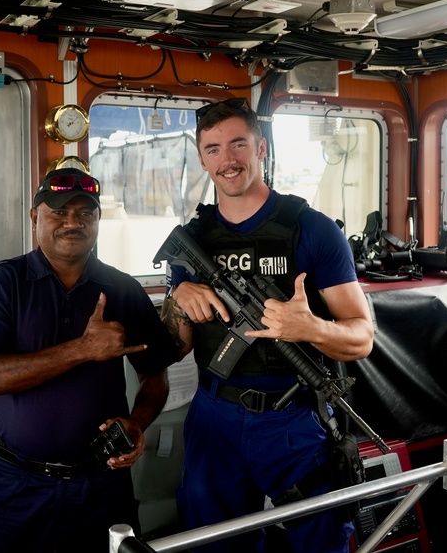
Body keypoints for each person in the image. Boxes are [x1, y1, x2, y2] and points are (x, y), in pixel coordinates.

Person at [160, 98, 376, 553]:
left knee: (321, 540)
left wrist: (310, 328)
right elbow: (173, 347)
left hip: (294, 417)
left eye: (239, 144)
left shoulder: (313, 230)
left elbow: (361, 337)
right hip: (214, 415)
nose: (228, 159)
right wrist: (177, 298)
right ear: (202, 159)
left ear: (261, 149)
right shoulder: (193, 239)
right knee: (211, 544)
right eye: (214, 149)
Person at [0, 167, 177, 552]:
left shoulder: (123, 289)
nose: (72, 222)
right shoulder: (5, 282)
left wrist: (137, 423)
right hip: (15, 485)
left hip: (101, 485)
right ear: (35, 217)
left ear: (97, 221)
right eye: (59, 212)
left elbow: (154, 375)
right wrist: (83, 349)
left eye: (85, 213)